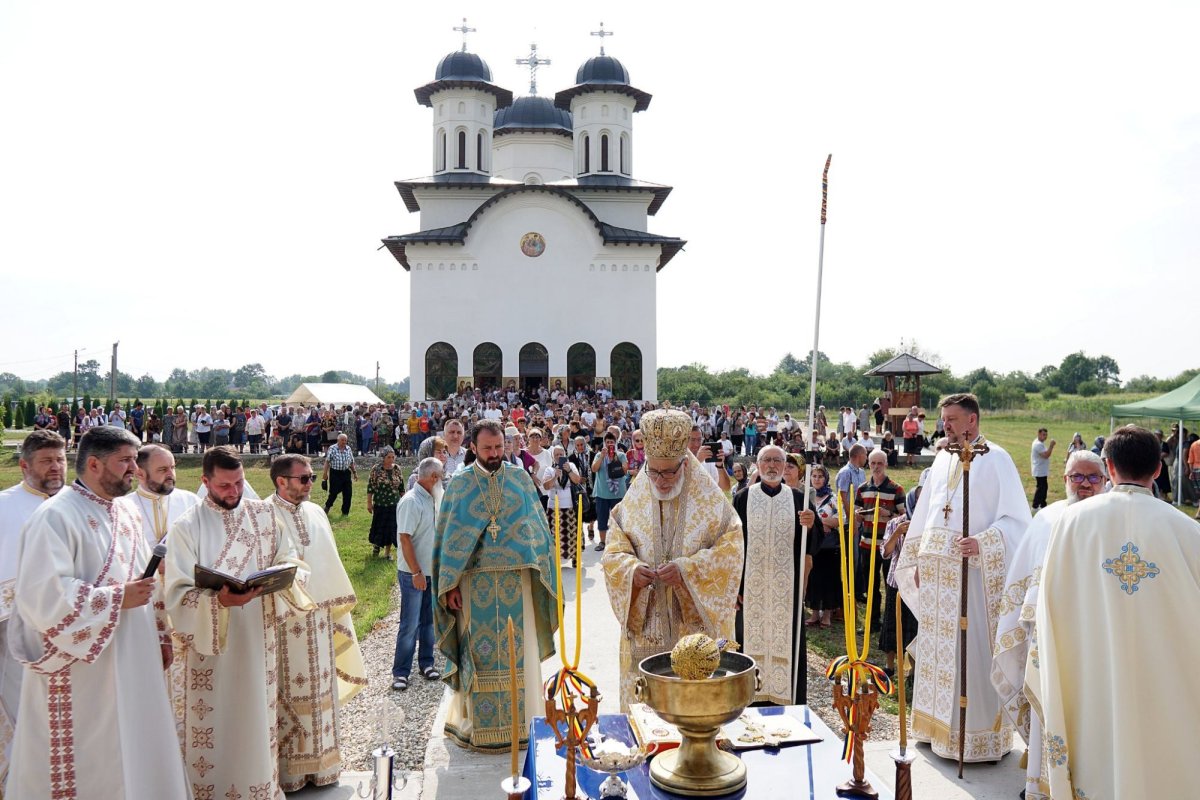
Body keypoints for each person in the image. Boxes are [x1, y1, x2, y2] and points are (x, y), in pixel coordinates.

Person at [6, 426, 189, 798]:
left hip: (134, 654)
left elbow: (144, 581)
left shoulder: (126, 511)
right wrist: (117, 598)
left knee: (137, 742)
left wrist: (159, 635)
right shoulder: (55, 517)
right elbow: (43, 597)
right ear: (93, 463)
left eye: (135, 461)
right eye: (124, 461)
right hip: (82, 669)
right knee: (93, 754)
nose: (134, 470)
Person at [1028, 425, 1200, 798]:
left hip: (1092, 683)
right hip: (1169, 688)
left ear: (1107, 467)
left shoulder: (1071, 523)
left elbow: (1050, 606)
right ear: (1158, 469)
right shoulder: (1189, 531)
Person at [165, 446, 314, 798]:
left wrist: (278, 576)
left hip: (257, 640)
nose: (233, 492)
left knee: (255, 721)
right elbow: (176, 594)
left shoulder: (264, 516)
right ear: (205, 482)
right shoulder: (187, 527)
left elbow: (290, 559)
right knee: (216, 727)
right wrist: (218, 601)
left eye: (239, 483)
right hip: (211, 653)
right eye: (224, 486)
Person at [894, 393, 1031, 764]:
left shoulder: (996, 459)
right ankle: (933, 727)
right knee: (938, 653)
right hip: (939, 577)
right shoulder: (942, 458)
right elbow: (930, 515)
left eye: (952, 418)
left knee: (969, 653)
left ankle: (974, 739)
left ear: (972, 420)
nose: (946, 425)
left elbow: (1018, 523)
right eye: (944, 418)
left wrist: (985, 542)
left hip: (972, 575)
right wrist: (922, 557)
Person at [601, 409, 744, 710]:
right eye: (654, 472)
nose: (661, 480)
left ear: (685, 463)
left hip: (692, 629)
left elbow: (731, 548)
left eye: (669, 472)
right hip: (648, 624)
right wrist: (631, 570)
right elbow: (614, 550)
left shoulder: (710, 500)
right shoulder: (636, 497)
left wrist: (687, 570)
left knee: (693, 708)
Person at [432, 419, 559, 751]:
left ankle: (527, 722)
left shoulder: (519, 480)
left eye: (499, 447)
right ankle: (477, 726)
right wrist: (452, 585)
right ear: (473, 447)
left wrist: (539, 569)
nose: (494, 454)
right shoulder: (459, 485)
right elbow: (448, 543)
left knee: (522, 655)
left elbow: (538, 533)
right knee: (480, 656)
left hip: (519, 585)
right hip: (474, 588)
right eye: (487, 448)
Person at [991, 450, 1106, 800]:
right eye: (1077, 477)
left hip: (1096, 641)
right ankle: (1041, 787)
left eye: (1092, 478)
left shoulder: (1110, 523)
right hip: (1049, 640)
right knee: (1049, 706)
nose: (1084, 484)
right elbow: (1024, 581)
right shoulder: (1048, 518)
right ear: (1064, 479)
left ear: (1105, 480)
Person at [268, 453, 367, 791]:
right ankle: (292, 773)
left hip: (320, 621)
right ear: (282, 481)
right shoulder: (265, 514)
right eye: (304, 478)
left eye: (311, 477)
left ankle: (325, 765)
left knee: (321, 692)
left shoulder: (316, 511)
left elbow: (329, 561)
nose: (312, 483)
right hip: (284, 623)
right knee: (288, 693)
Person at [118, 443, 200, 745]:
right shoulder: (123, 508)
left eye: (173, 467)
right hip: (146, 609)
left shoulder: (190, 502)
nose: (171, 475)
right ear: (140, 472)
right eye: (163, 469)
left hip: (185, 608)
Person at [0, 430, 67, 774]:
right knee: (25, 707)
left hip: (73, 627)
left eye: (60, 459)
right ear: (25, 465)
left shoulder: (77, 504)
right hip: (15, 626)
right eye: (46, 461)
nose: (56, 468)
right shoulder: (4, 505)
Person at [733, 446, 818, 705]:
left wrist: (811, 524)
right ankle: (748, 703)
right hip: (751, 590)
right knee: (747, 642)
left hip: (785, 589)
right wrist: (735, 585)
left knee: (788, 643)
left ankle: (787, 701)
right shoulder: (743, 498)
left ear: (785, 465)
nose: (772, 465)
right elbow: (732, 544)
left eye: (778, 460)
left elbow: (812, 545)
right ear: (757, 465)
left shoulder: (799, 499)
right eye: (766, 460)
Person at [393, 457, 443, 692]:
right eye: (440, 477)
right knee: (410, 623)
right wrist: (416, 572)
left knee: (429, 622)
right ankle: (401, 672)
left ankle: (426, 663)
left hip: (430, 571)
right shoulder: (411, 501)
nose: (441, 482)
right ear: (432, 477)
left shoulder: (432, 499)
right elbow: (405, 538)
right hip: (414, 573)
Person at [878, 473, 924, 675]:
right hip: (896, 583)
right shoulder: (895, 523)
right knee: (892, 624)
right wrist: (897, 533)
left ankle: (912, 670)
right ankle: (890, 666)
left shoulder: (927, 525)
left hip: (918, 584)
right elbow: (885, 553)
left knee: (913, 627)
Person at [854, 450, 905, 630]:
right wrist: (858, 516)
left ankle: (890, 624)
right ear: (868, 464)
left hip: (888, 545)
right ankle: (872, 622)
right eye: (873, 463)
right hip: (867, 543)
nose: (876, 467)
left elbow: (904, 516)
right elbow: (856, 513)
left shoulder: (896, 489)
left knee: (889, 585)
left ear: (886, 465)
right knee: (870, 585)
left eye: (879, 463)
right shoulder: (862, 488)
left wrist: (888, 514)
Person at [803, 464, 842, 628]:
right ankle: (814, 613)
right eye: (814, 476)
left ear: (826, 479)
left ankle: (826, 615)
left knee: (828, 579)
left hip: (829, 546)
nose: (817, 479)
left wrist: (818, 522)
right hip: (812, 544)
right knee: (813, 578)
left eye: (820, 476)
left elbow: (839, 520)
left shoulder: (833, 498)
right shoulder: (807, 497)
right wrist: (821, 524)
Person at [541, 445, 583, 567]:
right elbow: (546, 486)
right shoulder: (549, 469)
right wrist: (555, 476)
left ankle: (575, 558)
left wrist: (568, 470)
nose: (559, 457)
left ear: (565, 455)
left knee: (572, 534)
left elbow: (577, 480)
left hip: (570, 505)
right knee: (554, 535)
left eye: (561, 454)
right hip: (554, 507)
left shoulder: (572, 466)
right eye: (557, 455)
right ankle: (554, 560)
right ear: (553, 457)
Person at [590, 431, 627, 552]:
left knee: (618, 520)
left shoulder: (621, 455)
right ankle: (602, 542)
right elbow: (594, 469)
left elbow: (625, 470)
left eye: (612, 442)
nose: (610, 444)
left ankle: (619, 541)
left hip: (618, 493)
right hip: (602, 493)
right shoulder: (598, 455)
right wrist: (602, 456)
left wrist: (615, 459)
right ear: (604, 443)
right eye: (608, 442)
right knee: (602, 518)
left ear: (615, 443)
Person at [367, 446, 405, 559]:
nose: (391, 459)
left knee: (392, 528)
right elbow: (370, 487)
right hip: (380, 504)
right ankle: (376, 547)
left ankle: (387, 553)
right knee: (379, 526)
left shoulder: (397, 469)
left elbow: (402, 488)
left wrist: (405, 501)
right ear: (383, 457)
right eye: (389, 457)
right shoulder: (376, 469)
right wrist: (369, 503)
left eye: (393, 457)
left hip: (394, 504)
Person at [322, 433, 358, 515]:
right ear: (338, 440)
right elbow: (327, 461)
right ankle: (327, 506)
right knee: (334, 493)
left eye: (345, 440)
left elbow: (351, 462)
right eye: (342, 440)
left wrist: (354, 473)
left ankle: (345, 512)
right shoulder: (332, 448)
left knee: (348, 493)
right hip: (335, 473)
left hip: (346, 473)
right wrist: (325, 474)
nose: (344, 442)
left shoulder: (348, 448)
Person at [688, 426, 731, 492]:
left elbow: (726, 487)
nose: (696, 444)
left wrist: (720, 466)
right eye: (692, 440)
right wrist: (697, 461)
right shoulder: (678, 459)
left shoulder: (709, 458)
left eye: (699, 439)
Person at [1029, 427, 1056, 510]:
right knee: (1041, 488)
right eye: (1043, 435)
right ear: (1039, 434)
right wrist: (1051, 446)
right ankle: (1035, 506)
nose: (1045, 437)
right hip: (1039, 470)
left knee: (1044, 487)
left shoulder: (1040, 442)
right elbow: (1046, 455)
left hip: (1041, 470)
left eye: (1046, 435)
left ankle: (1043, 504)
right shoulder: (1038, 444)